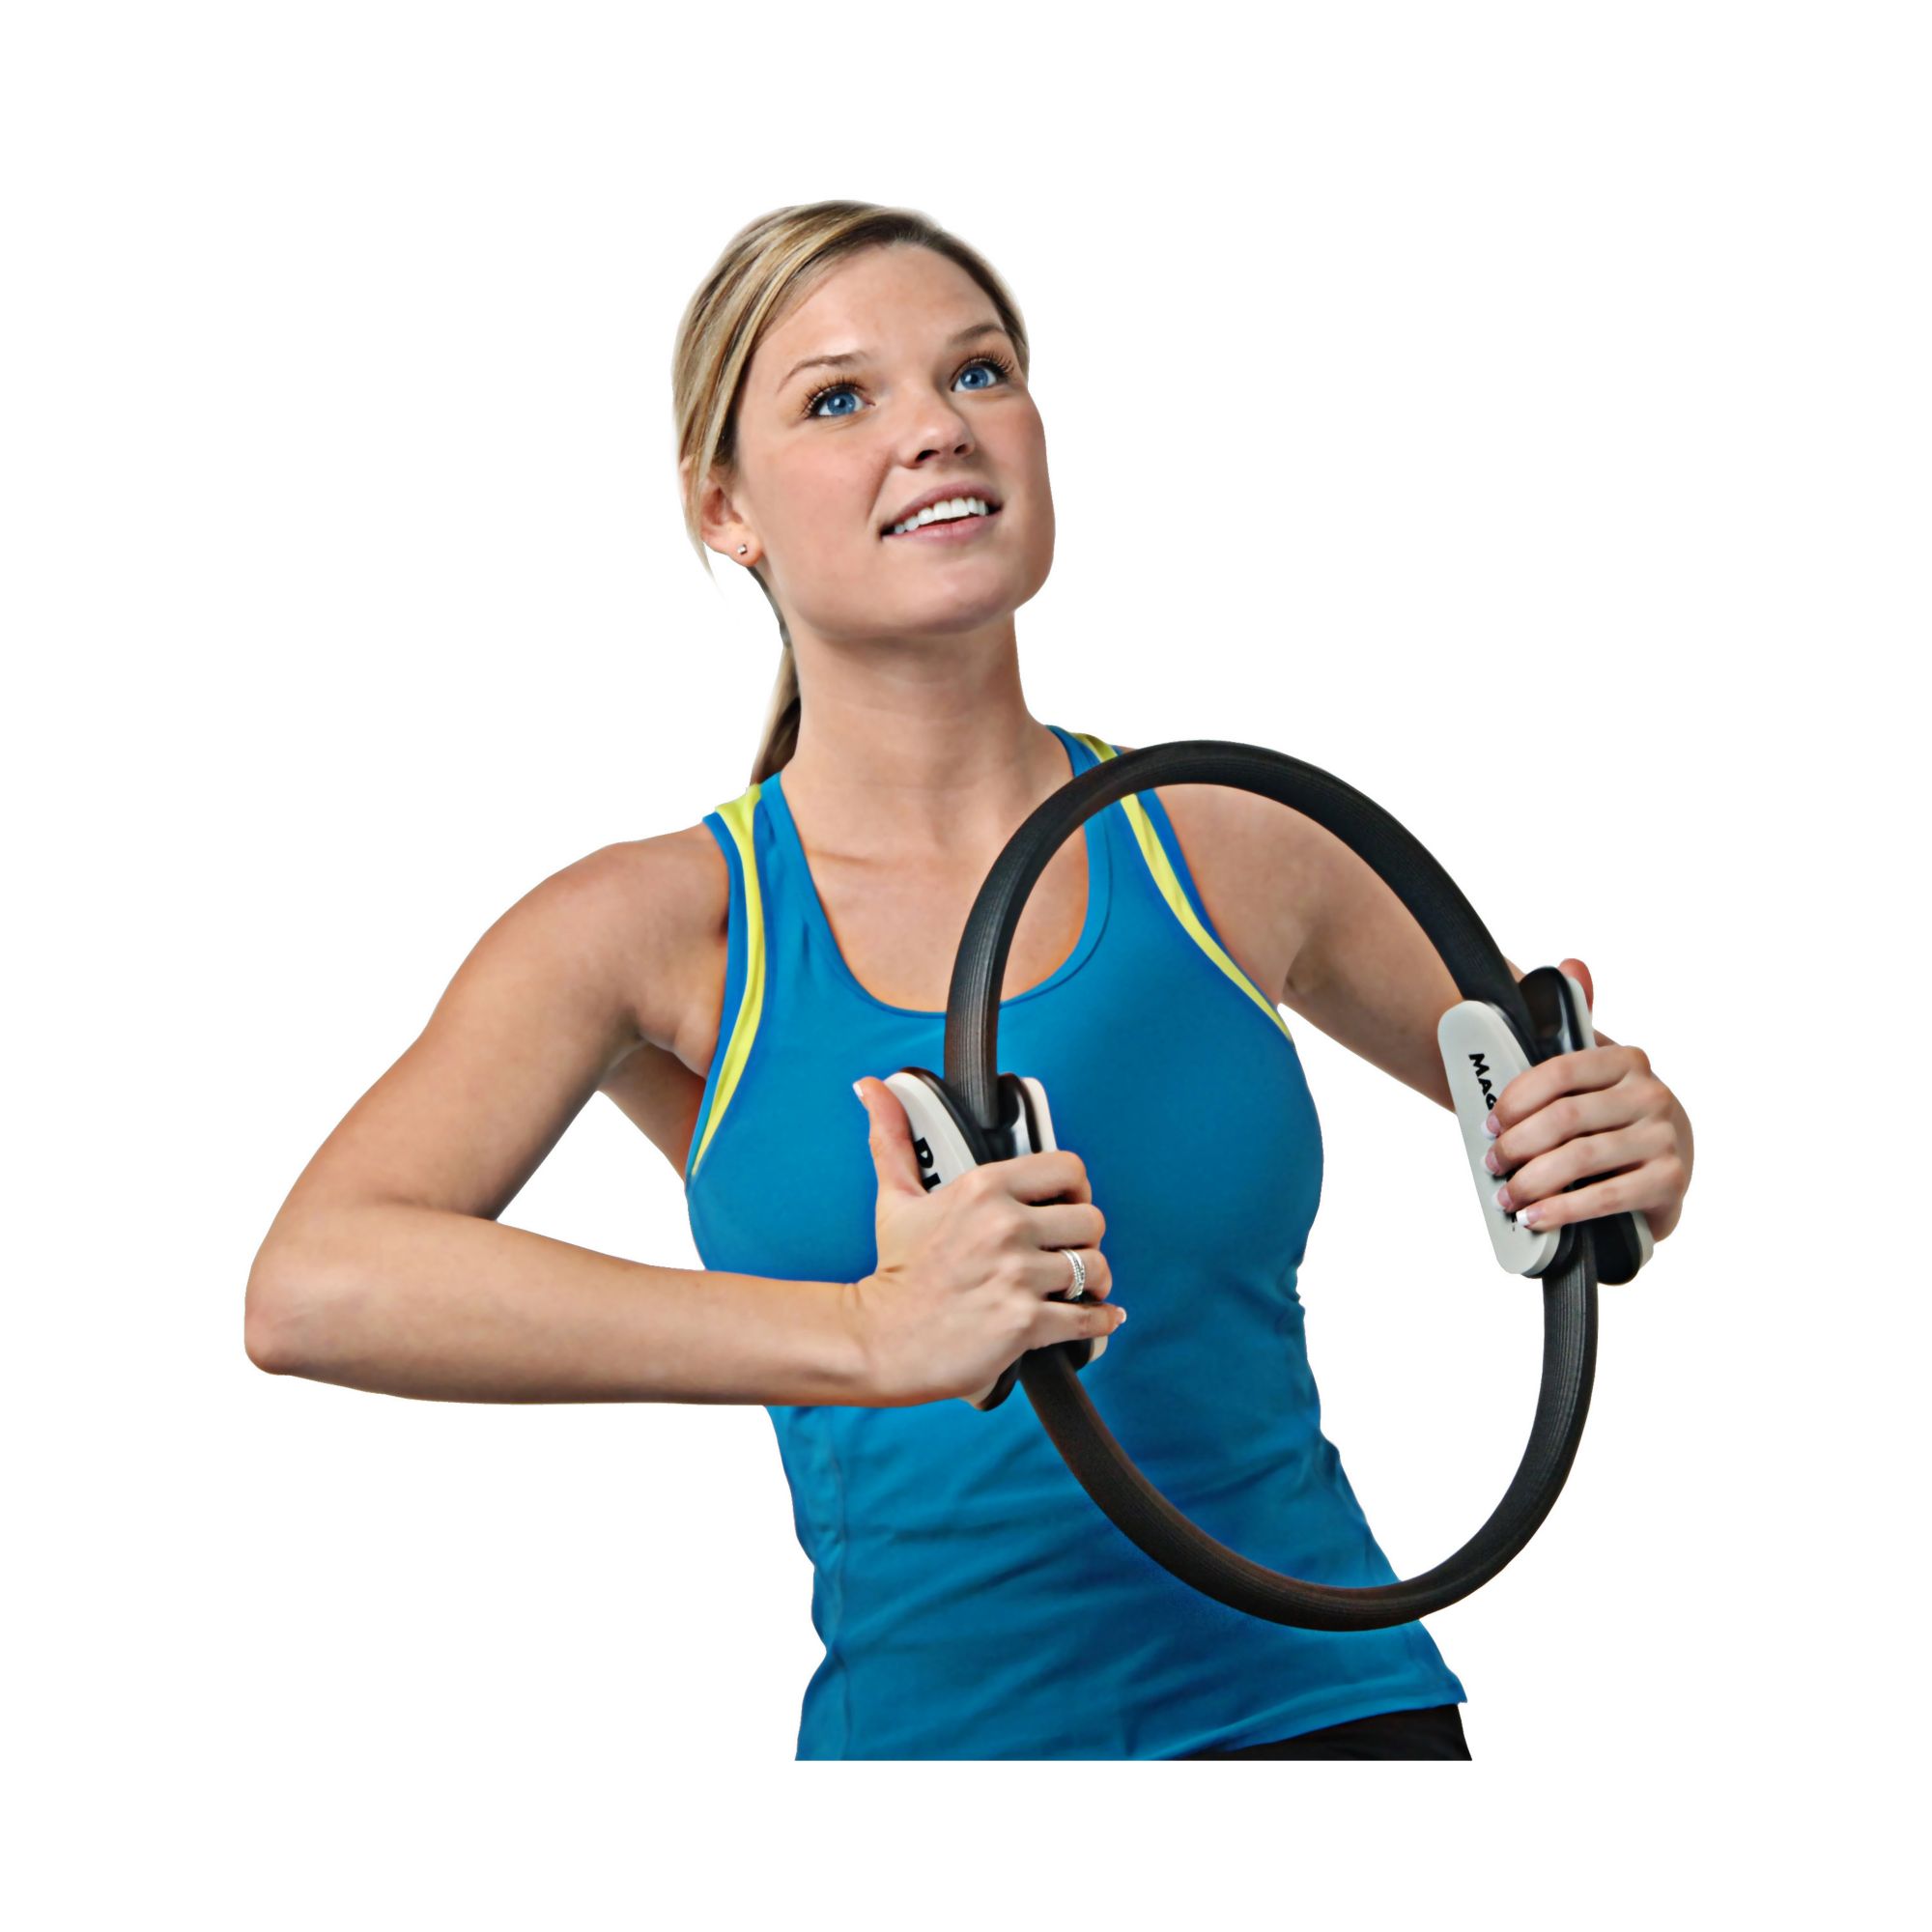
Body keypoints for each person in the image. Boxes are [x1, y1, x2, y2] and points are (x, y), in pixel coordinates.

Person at [245, 200, 1695, 1761]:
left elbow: (1555, 1126)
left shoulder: (1229, 840)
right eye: (839, 398)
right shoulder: (661, 928)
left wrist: (1630, 1145)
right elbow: (316, 1286)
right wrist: (871, 1336)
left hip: (1337, 1727)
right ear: (725, 507)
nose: (937, 426)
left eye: (980, 372)